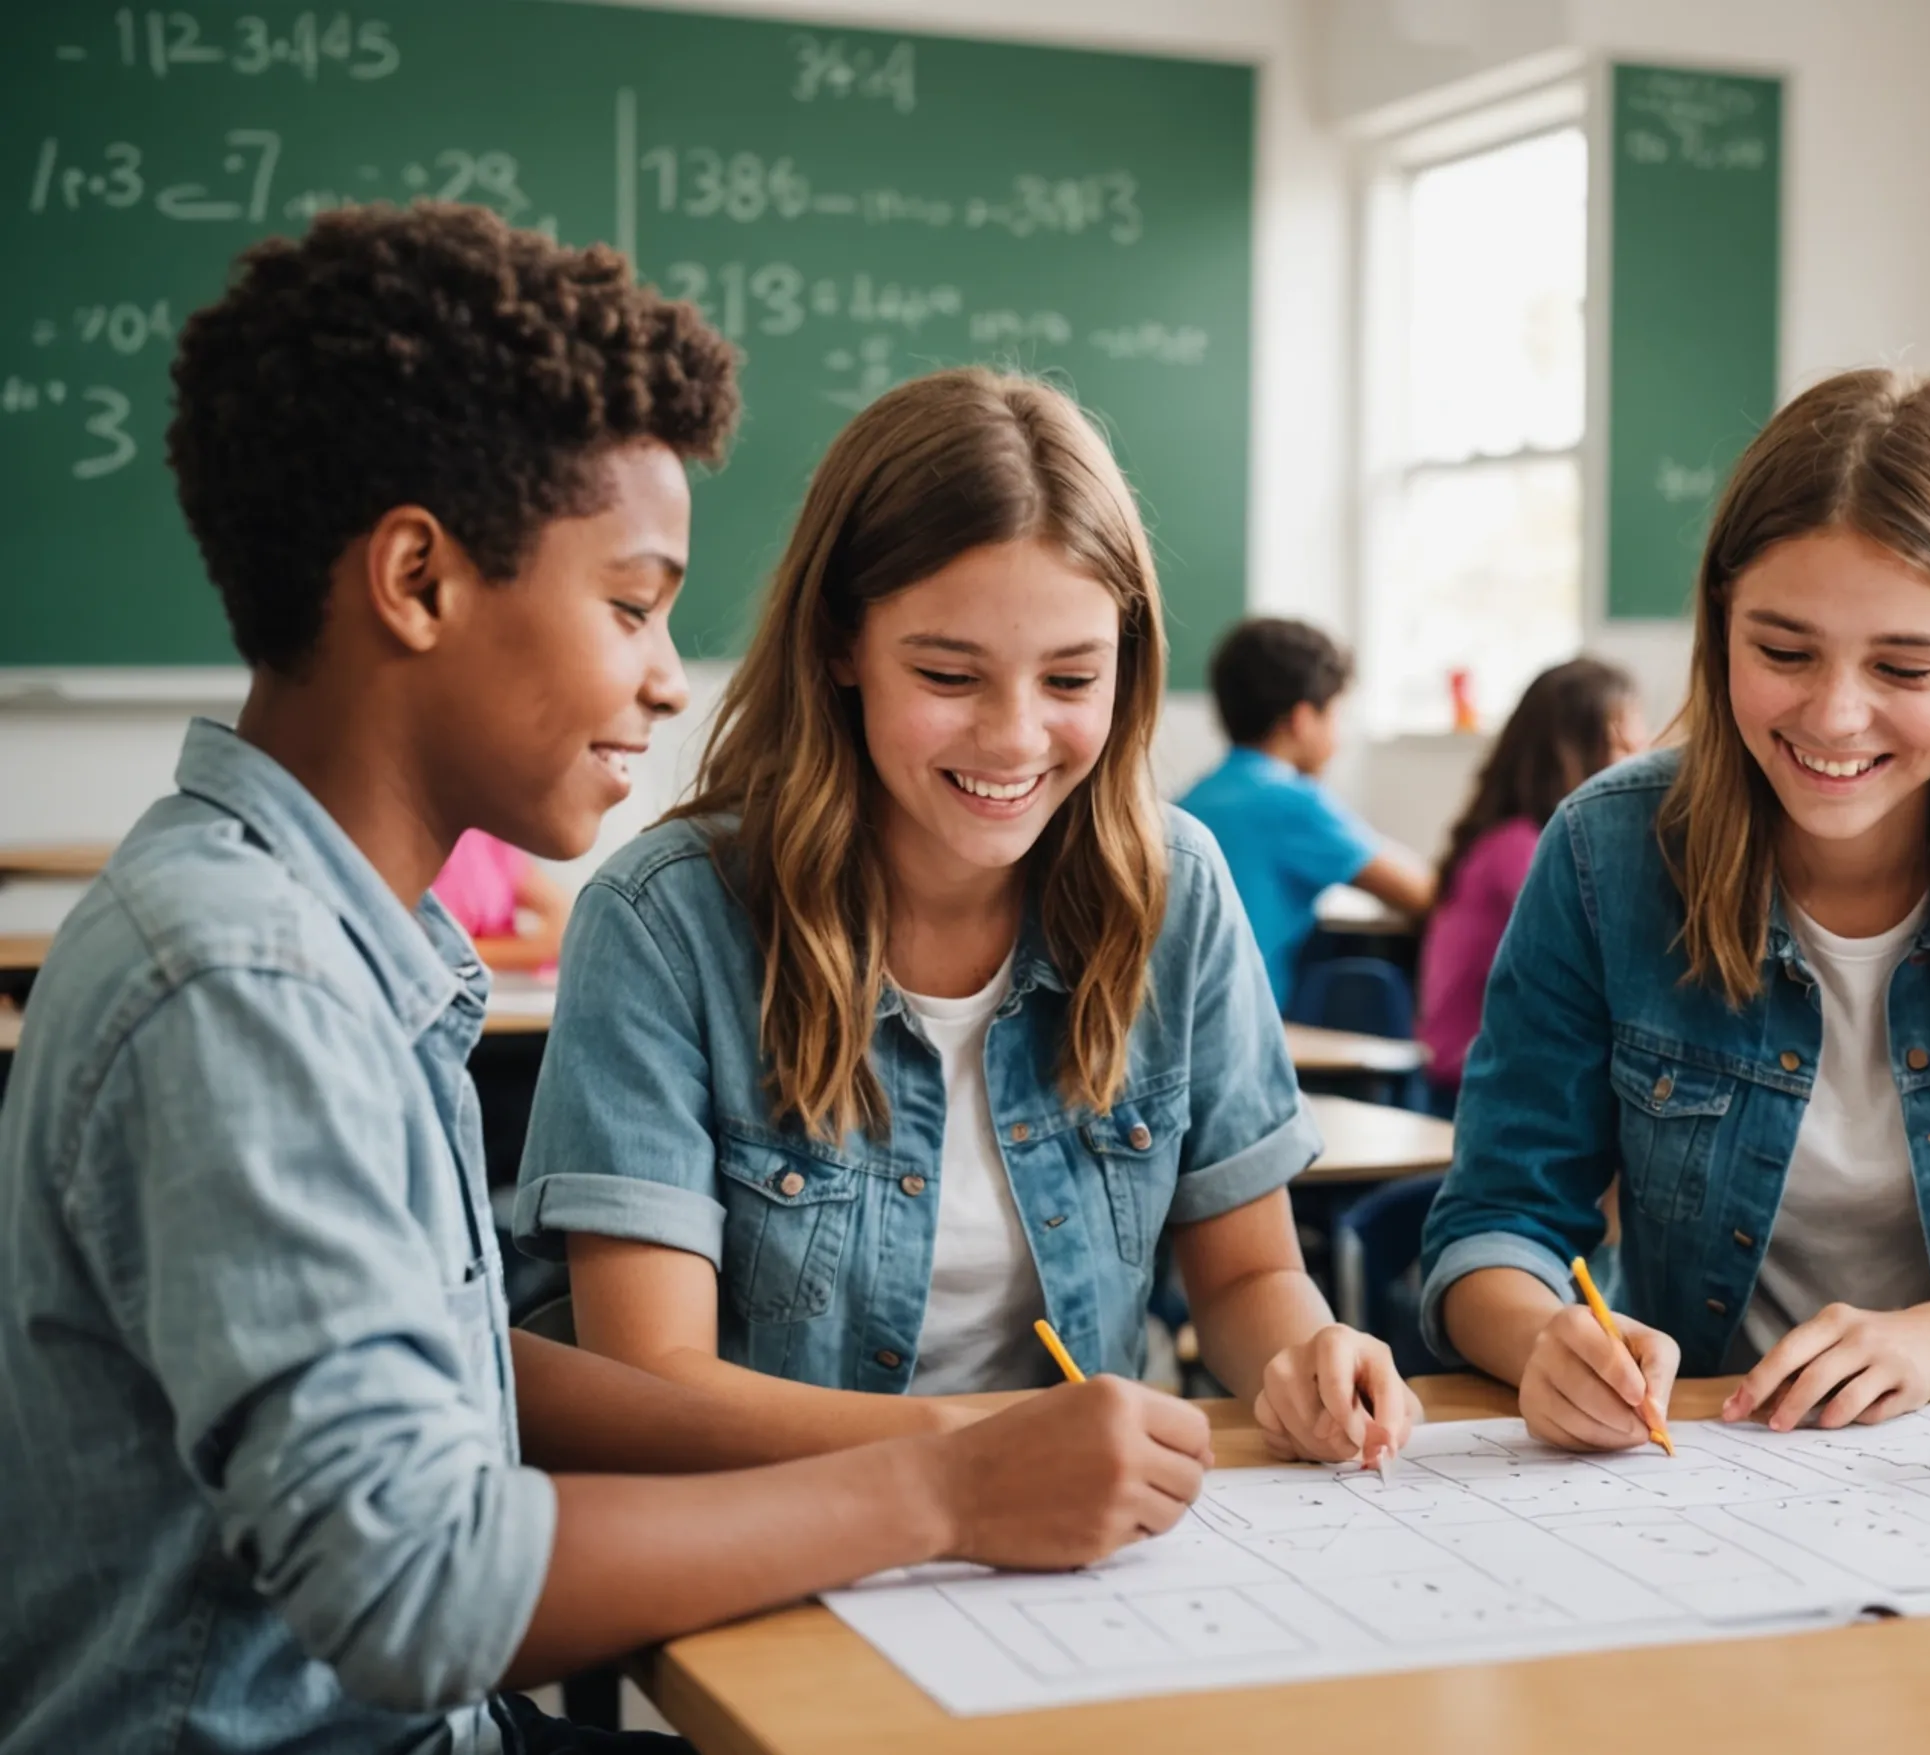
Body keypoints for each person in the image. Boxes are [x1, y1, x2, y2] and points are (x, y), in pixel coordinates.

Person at [0, 203, 1216, 1755]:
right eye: (632, 604)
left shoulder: (320, 935)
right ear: (419, 580)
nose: (664, 671)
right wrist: (941, 1484)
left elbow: (441, 1371)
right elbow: (424, 1578)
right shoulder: (245, 982)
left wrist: (948, 1441)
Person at [514, 367, 1418, 1470]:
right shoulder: (667, 923)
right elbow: (654, 1387)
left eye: (1072, 680)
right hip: (776, 1550)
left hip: (1074, 1545)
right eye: (949, 674)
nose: (1014, 738)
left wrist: (1306, 1353)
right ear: (841, 644)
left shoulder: (1175, 888)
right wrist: (981, 1458)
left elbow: (1244, 1277)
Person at [1420, 368, 1930, 1450]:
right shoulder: (1608, 851)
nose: (1835, 717)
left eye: (1905, 665)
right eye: (1783, 652)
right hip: (1697, 1452)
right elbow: (1495, 1222)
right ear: (1720, 621)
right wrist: (1542, 1339)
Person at [1417, 657, 1646, 1099]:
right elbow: (1615, 961)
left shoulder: (1513, 838)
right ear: (1575, 751)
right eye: (1625, 744)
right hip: (1474, 1090)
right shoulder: (1522, 849)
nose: (1642, 762)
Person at [1176, 617, 1433, 1005]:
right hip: (1247, 1031)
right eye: (1336, 715)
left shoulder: (1193, 799)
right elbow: (1424, 893)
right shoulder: (1290, 801)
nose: (1339, 736)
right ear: (1301, 720)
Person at [432, 826, 573, 971]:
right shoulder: (430, 845)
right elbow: (440, 952)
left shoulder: (490, 840)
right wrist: (535, 950)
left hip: (505, 983)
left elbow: (563, 913)